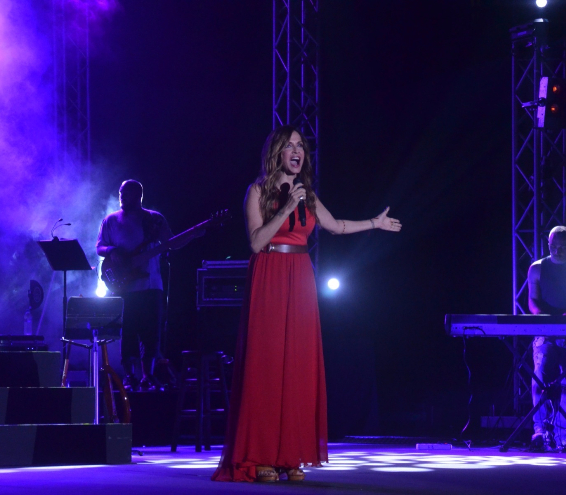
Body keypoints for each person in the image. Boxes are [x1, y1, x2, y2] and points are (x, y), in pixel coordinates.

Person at [212, 126, 402, 482]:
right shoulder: (257, 191)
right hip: (269, 275)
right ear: (277, 153)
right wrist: (286, 207)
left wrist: (374, 223)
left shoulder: (307, 194)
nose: (297, 151)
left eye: (301, 146)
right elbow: (256, 242)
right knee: (267, 365)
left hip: (300, 278)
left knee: (296, 367)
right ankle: (260, 454)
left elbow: (336, 226)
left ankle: (289, 455)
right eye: (290, 146)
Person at [96, 180, 172, 392]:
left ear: (139, 195)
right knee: (127, 333)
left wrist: (194, 232)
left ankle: (148, 376)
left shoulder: (154, 218)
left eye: (126, 193)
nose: (122, 196)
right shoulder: (111, 220)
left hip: (151, 285)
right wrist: (111, 250)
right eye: (121, 193)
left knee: (151, 334)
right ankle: (129, 377)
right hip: (124, 288)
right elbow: (99, 246)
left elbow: (171, 242)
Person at [527, 225, 566, 452]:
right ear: (548, 244)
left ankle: (565, 437)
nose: (557, 250)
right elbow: (532, 300)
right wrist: (544, 317)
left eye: (563, 247)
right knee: (540, 377)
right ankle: (540, 433)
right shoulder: (537, 268)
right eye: (553, 246)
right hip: (546, 330)